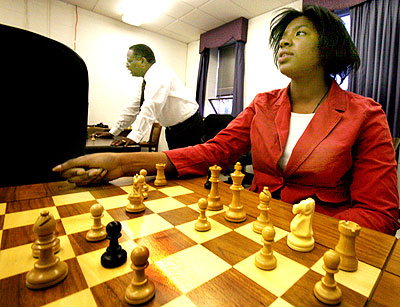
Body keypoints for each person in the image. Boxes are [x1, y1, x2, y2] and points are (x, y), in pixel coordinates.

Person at [53, 5, 399, 235]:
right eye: (282, 37)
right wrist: (123, 163)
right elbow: (213, 152)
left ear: (330, 46)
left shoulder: (365, 115)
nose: (284, 43)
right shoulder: (264, 105)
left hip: (317, 241)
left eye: (301, 34)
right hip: (249, 225)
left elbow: (379, 214)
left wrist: (305, 233)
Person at [95, 44, 204, 149]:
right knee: (178, 164)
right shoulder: (146, 81)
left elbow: (151, 106)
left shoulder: (159, 74)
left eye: (129, 61)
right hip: (173, 129)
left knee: (188, 165)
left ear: (142, 61)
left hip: (189, 127)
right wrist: (113, 131)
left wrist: (134, 136)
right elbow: (133, 108)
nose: (126, 65)